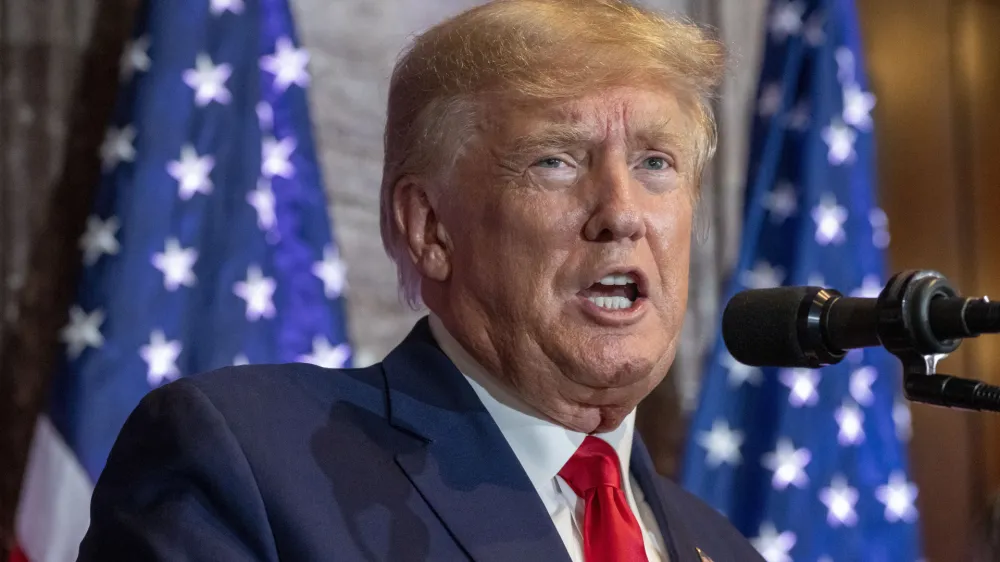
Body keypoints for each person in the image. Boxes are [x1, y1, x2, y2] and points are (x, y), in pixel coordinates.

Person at [79, 1, 765, 560]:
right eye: (555, 160)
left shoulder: (723, 548)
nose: (620, 212)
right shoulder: (252, 464)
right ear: (429, 227)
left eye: (656, 163)